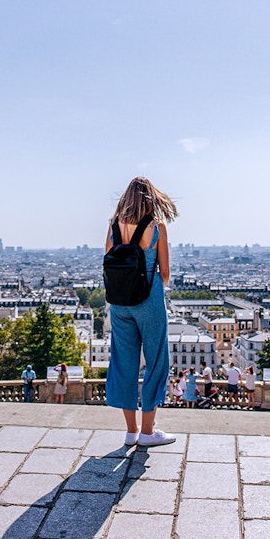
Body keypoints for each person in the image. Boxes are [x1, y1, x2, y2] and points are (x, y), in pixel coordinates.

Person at [104, 177, 178, 447]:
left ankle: (131, 430)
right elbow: (166, 272)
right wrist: (153, 289)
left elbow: (109, 262)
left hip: (119, 302)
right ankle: (148, 431)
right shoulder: (157, 226)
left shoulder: (113, 226)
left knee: (124, 362)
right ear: (150, 199)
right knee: (156, 360)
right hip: (148, 298)